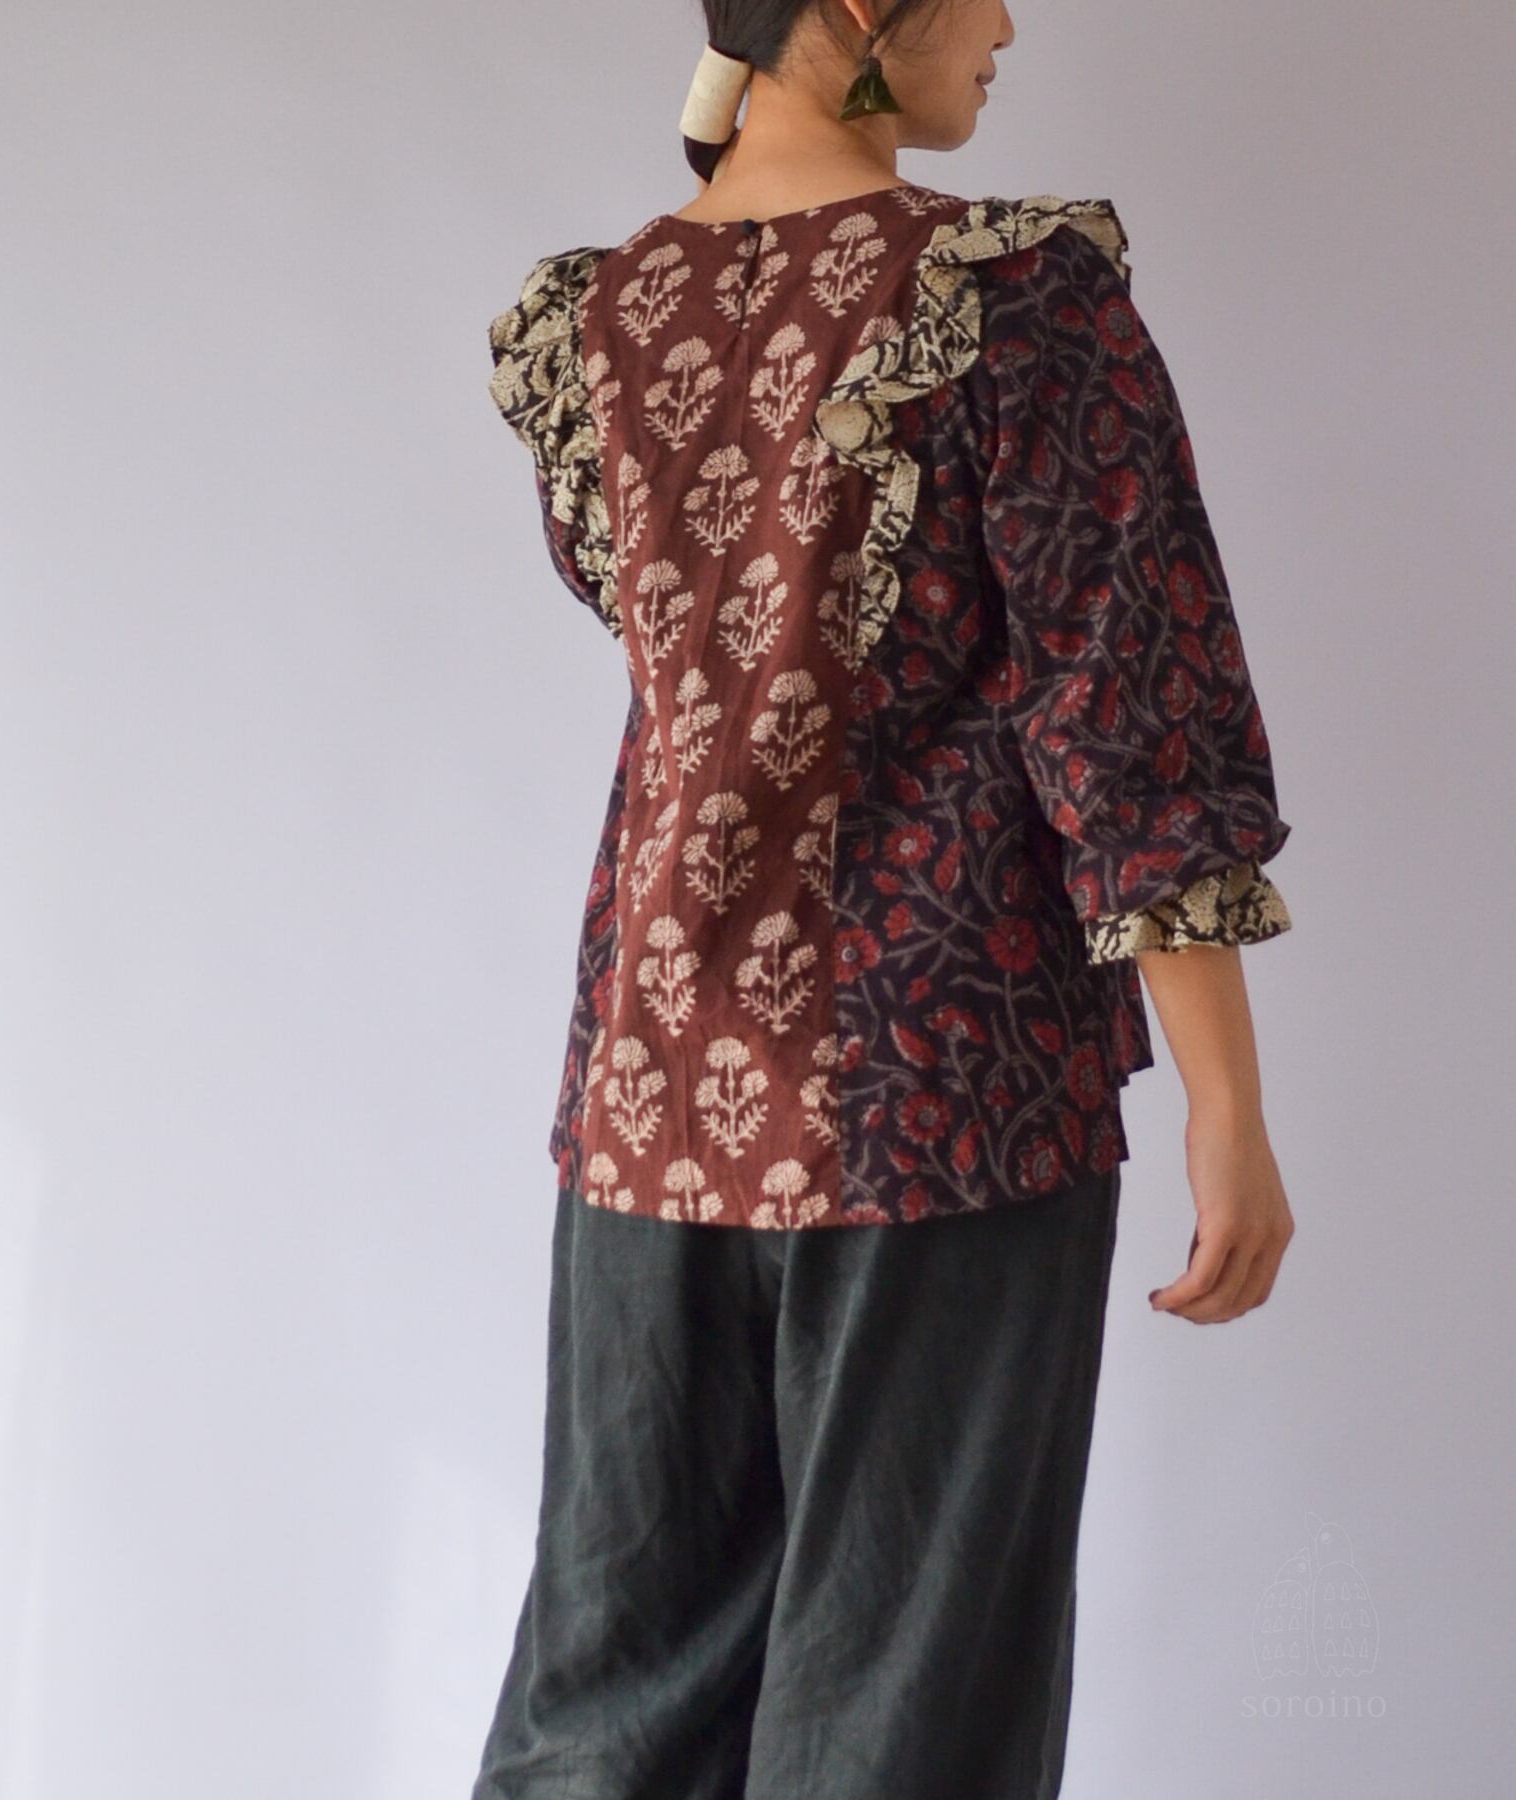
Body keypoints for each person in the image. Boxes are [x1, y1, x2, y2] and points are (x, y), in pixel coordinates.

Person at [474, 1, 1298, 1793]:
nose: (1005, 25)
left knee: (613, 1699)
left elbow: (670, 615)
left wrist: (743, 95)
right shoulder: (1016, 298)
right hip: (946, 1089)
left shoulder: (604, 318)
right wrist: (1227, 1106)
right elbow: (1129, 710)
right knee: (905, 1712)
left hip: (654, 1089)